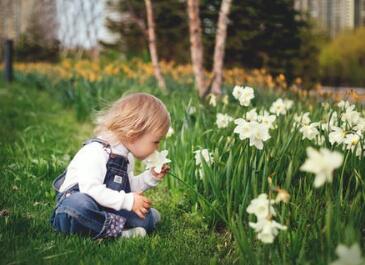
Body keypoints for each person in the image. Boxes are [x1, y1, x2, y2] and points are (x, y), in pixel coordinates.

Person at [50, 92, 171, 239]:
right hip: (76, 205)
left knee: (144, 219)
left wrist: (151, 177)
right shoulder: (96, 151)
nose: (156, 148)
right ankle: (119, 234)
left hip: (105, 207)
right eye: (156, 142)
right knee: (78, 207)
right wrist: (128, 201)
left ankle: (110, 226)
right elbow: (90, 190)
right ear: (133, 134)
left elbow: (127, 187)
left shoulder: (127, 157)